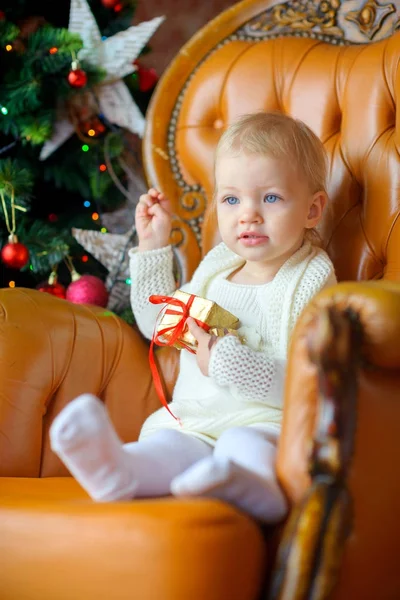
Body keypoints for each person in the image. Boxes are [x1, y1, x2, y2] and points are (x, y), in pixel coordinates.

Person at [50, 112, 336, 522]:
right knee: (166, 447)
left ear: (313, 210)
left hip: (264, 422)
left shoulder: (309, 279)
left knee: (245, 445)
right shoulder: (218, 267)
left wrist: (227, 361)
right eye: (231, 199)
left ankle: (256, 488)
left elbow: (307, 384)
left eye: (270, 198)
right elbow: (158, 324)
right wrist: (152, 246)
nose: (248, 215)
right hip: (195, 422)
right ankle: (119, 471)